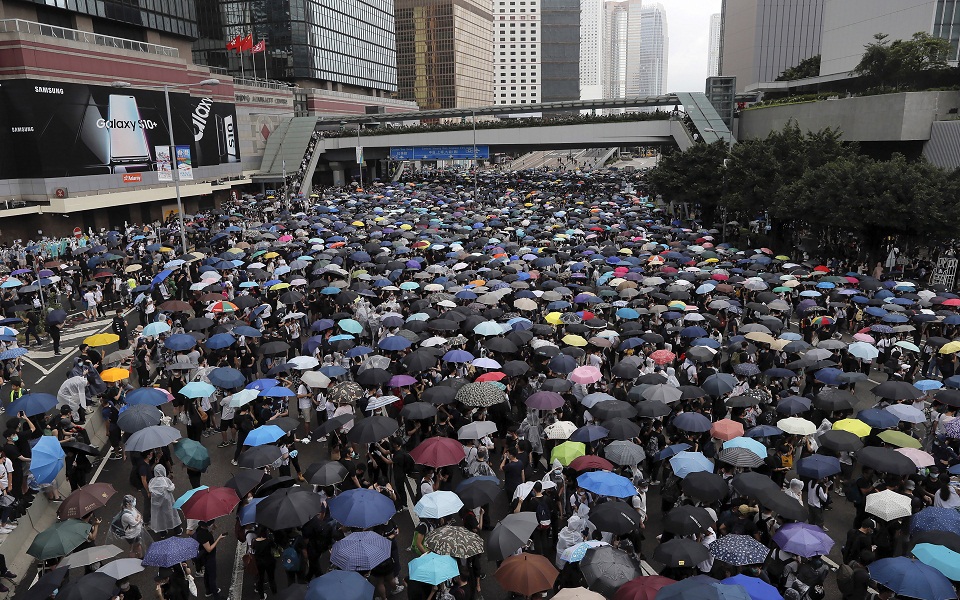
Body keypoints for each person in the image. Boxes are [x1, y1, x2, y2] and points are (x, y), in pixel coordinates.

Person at [193, 520, 226, 599]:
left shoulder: (200, 530)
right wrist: (219, 538)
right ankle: (216, 596)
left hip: (205, 558)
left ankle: (208, 591)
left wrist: (213, 530)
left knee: (207, 574)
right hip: (209, 558)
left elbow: (207, 539)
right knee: (212, 577)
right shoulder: (203, 534)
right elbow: (209, 549)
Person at [149, 464, 182, 537]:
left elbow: (150, 490)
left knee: (160, 517)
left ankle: (163, 533)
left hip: (156, 504)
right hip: (167, 502)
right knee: (172, 515)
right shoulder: (166, 480)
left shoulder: (152, 481)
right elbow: (171, 488)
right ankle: (177, 530)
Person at [118, 494, 145, 559]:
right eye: (132, 501)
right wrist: (139, 517)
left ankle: (137, 557)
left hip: (135, 532)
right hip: (131, 534)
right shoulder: (126, 515)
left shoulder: (131, 509)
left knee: (134, 546)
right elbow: (135, 522)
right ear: (127, 504)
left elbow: (137, 516)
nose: (134, 503)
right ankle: (138, 558)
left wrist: (138, 517)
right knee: (135, 547)